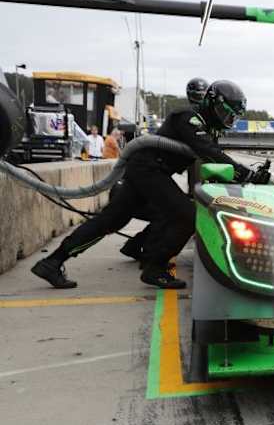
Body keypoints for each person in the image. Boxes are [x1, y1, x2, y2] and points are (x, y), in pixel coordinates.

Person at [31, 80, 254, 289]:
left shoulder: (205, 126)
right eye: (226, 113)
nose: (227, 120)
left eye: (231, 117)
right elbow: (209, 152)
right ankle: (154, 268)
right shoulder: (188, 117)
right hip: (149, 170)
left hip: (146, 170)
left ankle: (52, 262)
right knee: (186, 215)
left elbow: (209, 154)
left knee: (110, 220)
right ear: (212, 104)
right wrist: (247, 173)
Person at [118, 77, 211, 262]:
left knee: (171, 212)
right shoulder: (190, 121)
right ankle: (151, 258)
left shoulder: (189, 121)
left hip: (141, 177)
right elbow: (200, 160)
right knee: (176, 213)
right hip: (146, 177)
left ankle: (136, 248)